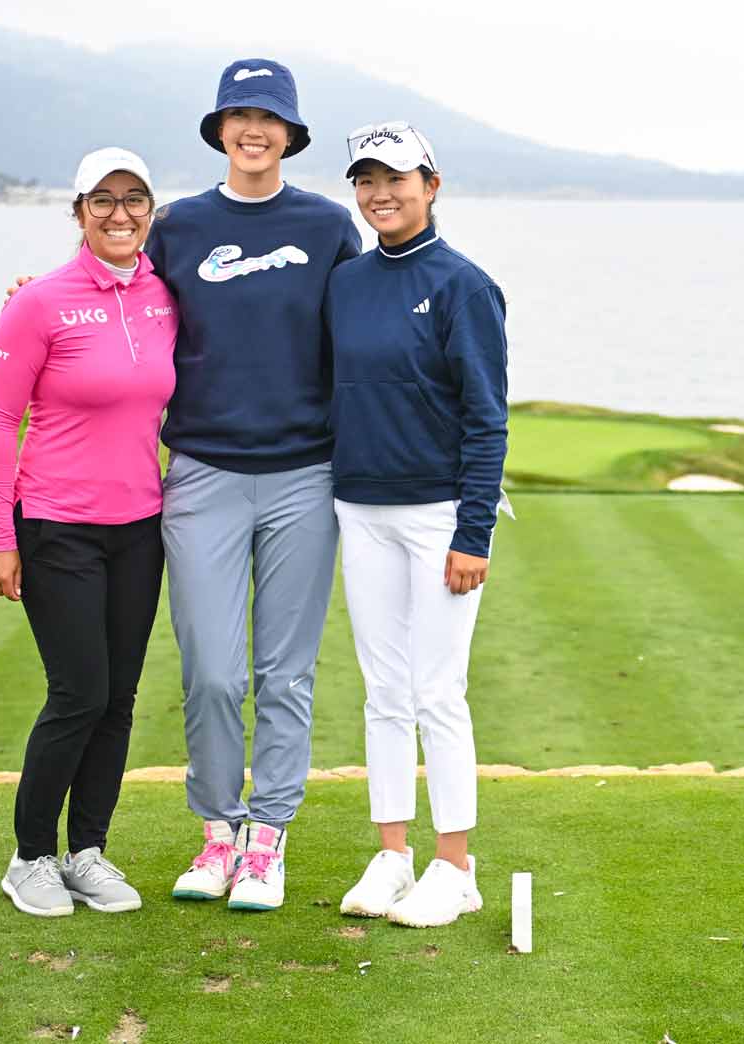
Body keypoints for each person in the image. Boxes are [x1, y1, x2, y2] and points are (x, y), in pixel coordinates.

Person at [151, 60, 363, 911]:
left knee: (285, 674)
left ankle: (267, 840)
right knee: (210, 671)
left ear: (290, 133)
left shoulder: (326, 226)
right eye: (239, 114)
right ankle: (216, 832)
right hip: (202, 473)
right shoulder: (178, 226)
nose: (253, 129)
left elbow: (366, 327)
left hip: (304, 478)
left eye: (268, 117)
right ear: (219, 128)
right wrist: (35, 295)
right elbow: (119, 302)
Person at [0, 147, 176, 918]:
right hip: (56, 524)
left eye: (134, 199)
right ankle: (29, 856)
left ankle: (86, 851)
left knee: (119, 697)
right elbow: (1, 422)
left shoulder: (167, 292)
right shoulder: (38, 303)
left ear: (151, 210)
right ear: (78, 212)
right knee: (79, 692)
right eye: (103, 200)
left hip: (141, 526)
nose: (120, 212)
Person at [326, 122, 510, 928]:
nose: (380, 194)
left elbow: (487, 419)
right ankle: (394, 854)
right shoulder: (348, 281)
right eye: (366, 180)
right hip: (359, 508)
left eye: (396, 178)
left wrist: (476, 532)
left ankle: (455, 868)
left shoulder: (465, 285)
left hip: (439, 515)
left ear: (431, 186)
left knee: (439, 691)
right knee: (384, 691)